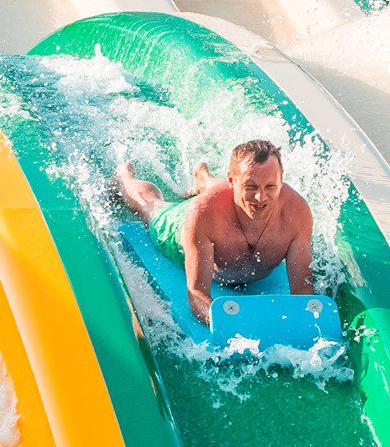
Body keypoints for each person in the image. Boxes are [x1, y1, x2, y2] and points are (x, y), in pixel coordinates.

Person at [115, 139, 316, 325]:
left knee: (236, 196)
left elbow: (303, 291)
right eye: (250, 186)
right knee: (151, 207)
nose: (261, 197)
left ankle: (203, 179)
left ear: (281, 181)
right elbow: (197, 294)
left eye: (270, 186)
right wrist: (226, 324)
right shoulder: (202, 214)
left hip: (224, 202)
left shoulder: (297, 213)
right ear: (232, 181)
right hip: (183, 226)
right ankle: (125, 179)